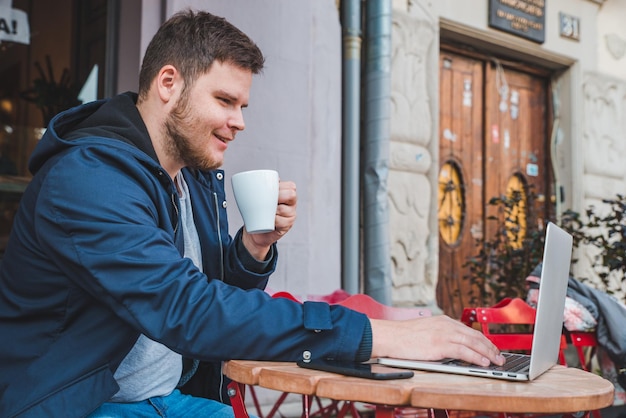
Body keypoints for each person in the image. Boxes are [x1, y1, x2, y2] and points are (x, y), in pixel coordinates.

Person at [0, 9, 504, 418]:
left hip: (170, 399)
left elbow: (215, 300)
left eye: (244, 106)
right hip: (80, 404)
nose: (238, 122)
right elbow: (187, 310)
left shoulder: (189, 174)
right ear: (168, 83)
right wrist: (382, 335)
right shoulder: (88, 180)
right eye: (225, 100)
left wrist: (253, 247)